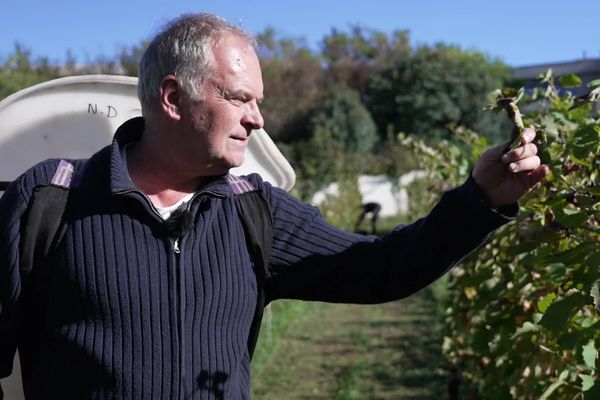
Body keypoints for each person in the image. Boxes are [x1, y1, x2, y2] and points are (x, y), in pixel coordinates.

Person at [0, 12, 548, 400]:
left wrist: (480, 201)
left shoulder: (254, 211)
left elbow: (381, 269)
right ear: (172, 98)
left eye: (257, 101)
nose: (258, 119)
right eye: (239, 98)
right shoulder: (51, 201)